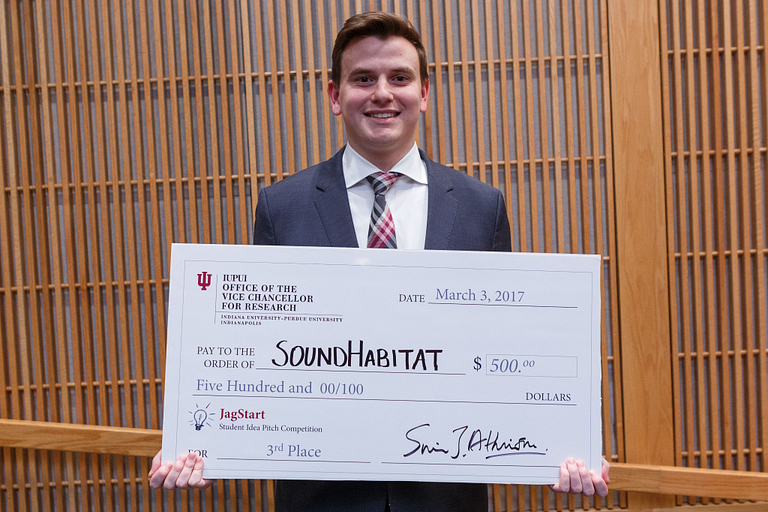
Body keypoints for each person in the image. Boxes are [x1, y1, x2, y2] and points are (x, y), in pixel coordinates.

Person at [149, 11, 610, 509]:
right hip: (322, 497)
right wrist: (202, 441)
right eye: (363, 79)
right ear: (334, 95)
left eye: (400, 78)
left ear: (425, 94)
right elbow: (257, 349)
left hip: (446, 496)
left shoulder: (481, 206)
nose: (383, 93)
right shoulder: (282, 206)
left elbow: (505, 346)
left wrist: (561, 445)